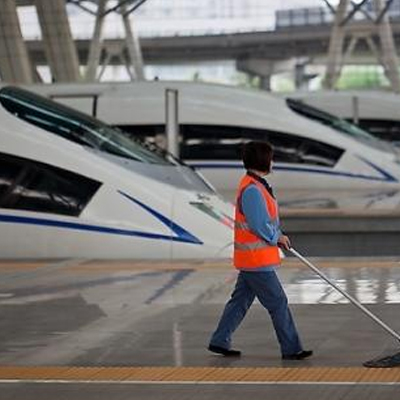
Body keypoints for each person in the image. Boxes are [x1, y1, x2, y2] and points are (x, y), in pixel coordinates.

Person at [208, 140, 312, 360]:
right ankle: (292, 349)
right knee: (278, 302)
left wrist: (277, 235)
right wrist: (276, 237)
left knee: (240, 301)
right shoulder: (253, 190)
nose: (273, 162)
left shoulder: (256, 185)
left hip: (252, 259)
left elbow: (265, 220)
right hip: (257, 260)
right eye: (271, 158)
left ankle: (219, 340)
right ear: (263, 160)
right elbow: (258, 224)